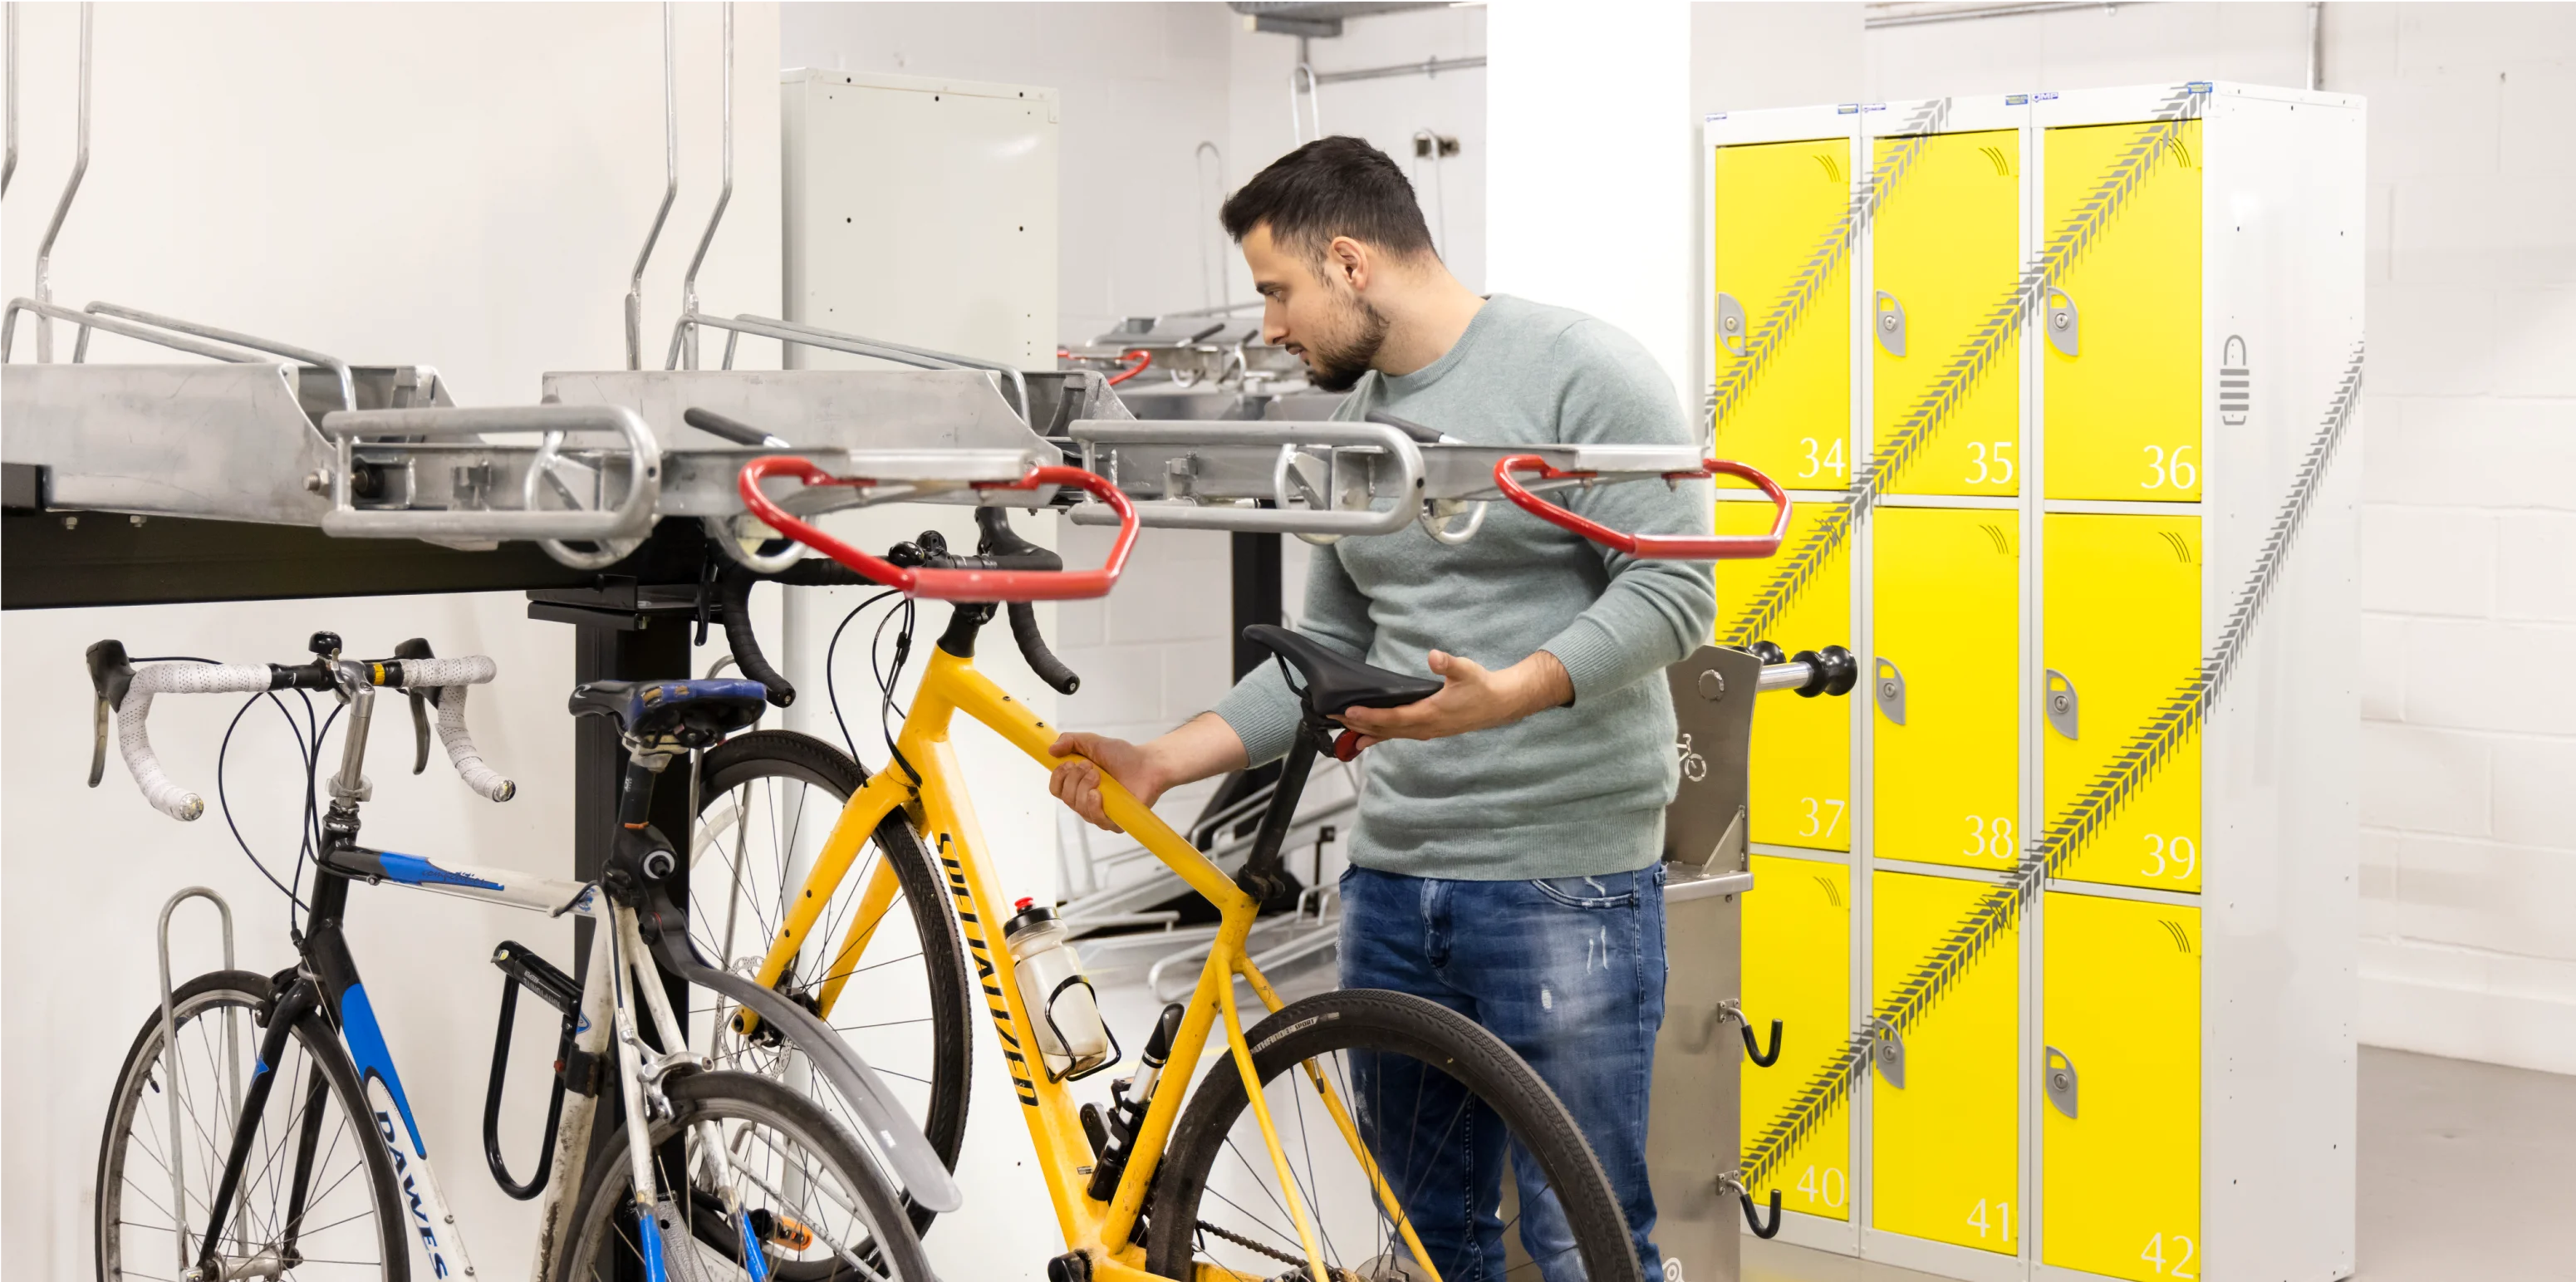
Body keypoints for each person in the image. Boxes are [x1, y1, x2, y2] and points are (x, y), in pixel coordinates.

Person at [1047, 135, 1715, 1280]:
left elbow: (1675, 587)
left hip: (1563, 881)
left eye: (1276, 291)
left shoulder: (1579, 370)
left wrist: (1514, 693)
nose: (1268, 327)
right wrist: (1165, 759)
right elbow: (1329, 653)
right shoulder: (1348, 425)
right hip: (1397, 886)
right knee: (1426, 1241)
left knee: (1584, 1242)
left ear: (1351, 262)